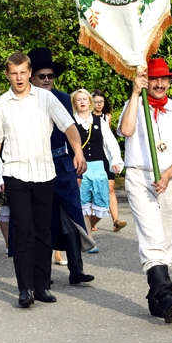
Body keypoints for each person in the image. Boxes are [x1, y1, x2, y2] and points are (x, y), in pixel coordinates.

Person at [0, 52, 86, 308]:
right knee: (24, 230)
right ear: (7, 75)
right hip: (15, 174)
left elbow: (68, 125)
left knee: (43, 231)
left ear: (30, 73)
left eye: (22, 72)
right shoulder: (1, 104)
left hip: (45, 173)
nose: (18, 77)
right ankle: (24, 288)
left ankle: (42, 286)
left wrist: (79, 152)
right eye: (13, 73)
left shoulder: (45, 98)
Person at [117, 58, 172, 323]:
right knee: (152, 237)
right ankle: (166, 296)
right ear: (146, 80)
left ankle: (154, 299)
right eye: (154, 79)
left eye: (164, 79)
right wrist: (135, 93)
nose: (159, 84)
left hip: (170, 178)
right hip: (140, 177)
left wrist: (169, 174)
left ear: (170, 82)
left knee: (167, 239)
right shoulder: (134, 106)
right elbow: (126, 131)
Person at [28, 47, 95, 285]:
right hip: (37, 165)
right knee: (42, 220)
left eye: (50, 76)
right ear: (31, 77)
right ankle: (42, 275)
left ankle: (76, 269)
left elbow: (71, 130)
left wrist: (78, 154)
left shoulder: (65, 99)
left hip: (63, 164)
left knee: (72, 215)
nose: (47, 80)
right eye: (42, 76)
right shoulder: (25, 101)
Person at [71, 89, 124, 234]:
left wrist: (116, 161)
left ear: (90, 102)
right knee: (83, 205)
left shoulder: (99, 121)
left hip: (99, 167)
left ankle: (82, 231)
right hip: (80, 168)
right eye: (78, 99)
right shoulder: (71, 122)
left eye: (84, 99)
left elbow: (110, 142)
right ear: (74, 103)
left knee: (102, 204)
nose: (82, 102)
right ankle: (88, 240)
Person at [92, 89, 126, 232]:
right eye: (96, 102)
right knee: (93, 190)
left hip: (107, 157)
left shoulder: (107, 117)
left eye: (101, 101)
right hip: (93, 158)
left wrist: (116, 159)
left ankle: (116, 221)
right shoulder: (84, 117)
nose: (99, 104)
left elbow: (108, 139)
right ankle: (91, 220)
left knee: (111, 188)